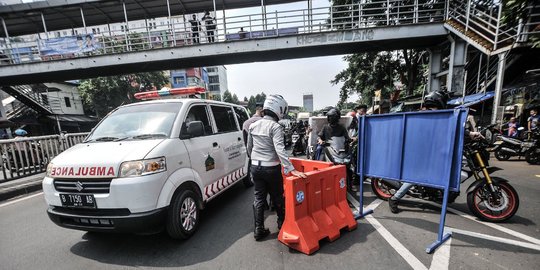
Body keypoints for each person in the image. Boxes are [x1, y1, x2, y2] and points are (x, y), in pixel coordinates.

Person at [388, 91, 484, 213]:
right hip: (421, 153)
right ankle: (394, 198)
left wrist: (469, 134)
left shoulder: (438, 115)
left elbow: (452, 128)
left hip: (432, 152)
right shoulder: (426, 115)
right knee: (416, 177)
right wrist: (469, 133)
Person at [247, 94, 307, 241]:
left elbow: (249, 148)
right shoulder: (275, 127)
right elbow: (280, 150)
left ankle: (258, 230)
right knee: (277, 196)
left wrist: (255, 160)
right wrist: (291, 168)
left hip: (255, 166)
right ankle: (282, 224)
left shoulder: (253, 125)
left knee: (259, 198)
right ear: (279, 109)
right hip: (271, 168)